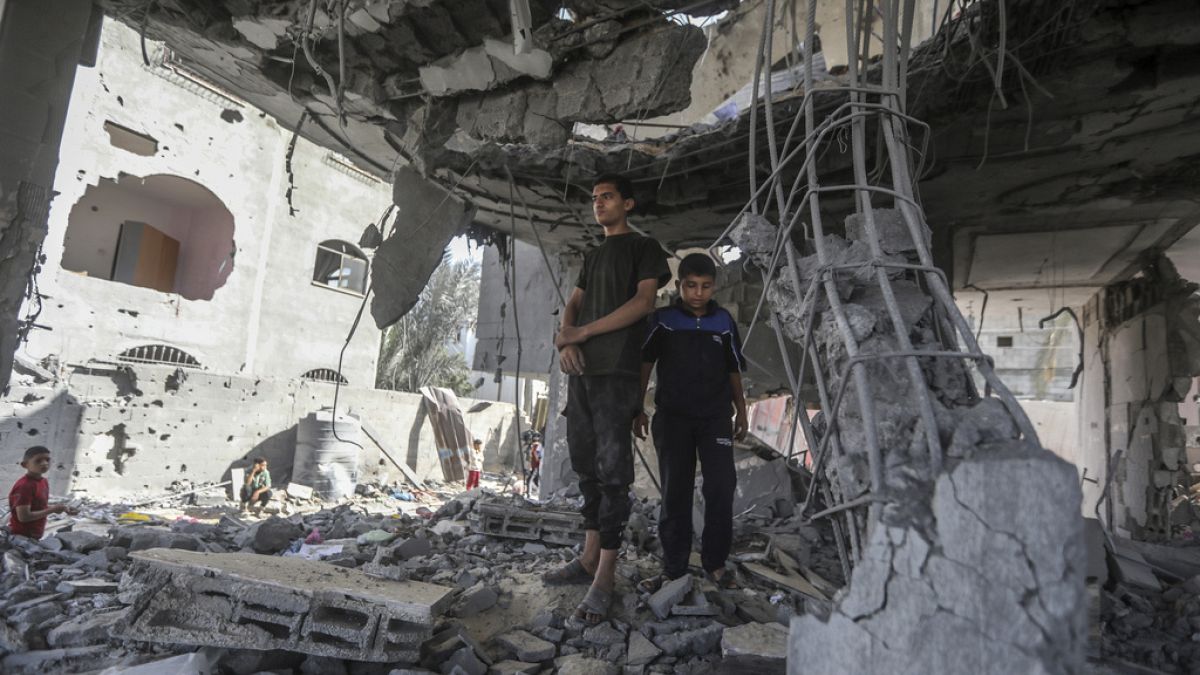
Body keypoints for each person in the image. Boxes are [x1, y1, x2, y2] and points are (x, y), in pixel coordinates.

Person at [543, 173, 670, 625]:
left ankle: (606, 577)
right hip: (582, 372)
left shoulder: (643, 248)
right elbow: (573, 304)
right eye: (594, 197)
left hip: (617, 370)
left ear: (628, 204)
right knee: (587, 468)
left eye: (608, 196)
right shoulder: (593, 256)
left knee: (614, 474)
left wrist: (584, 333)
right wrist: (566, 341)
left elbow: (642, 304)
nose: (598, 203)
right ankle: (588, 558)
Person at [635, 253, 748, 590]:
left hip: (715, 418)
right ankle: (674, 567)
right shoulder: (663, 320)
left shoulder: (724, 322)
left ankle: (715, 563)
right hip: (673, 419)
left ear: (714, 286)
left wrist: (741, 411)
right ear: (680, 285)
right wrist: (637, 407)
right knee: (675, 492)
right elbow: (644, 363)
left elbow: (733, 370)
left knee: (721, 487)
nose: (698, 293)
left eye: (706, 286)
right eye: (691, 286)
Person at [7, 446, 70, 540]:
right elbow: (24, 517)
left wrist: (61, 508)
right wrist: (52, 510)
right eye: (38, 461)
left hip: (34, 534)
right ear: (25, 465)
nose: (44, 463)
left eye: (47, 460)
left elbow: (38, 506)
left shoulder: (43, 481)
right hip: (21, 536)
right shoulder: (25, 486)